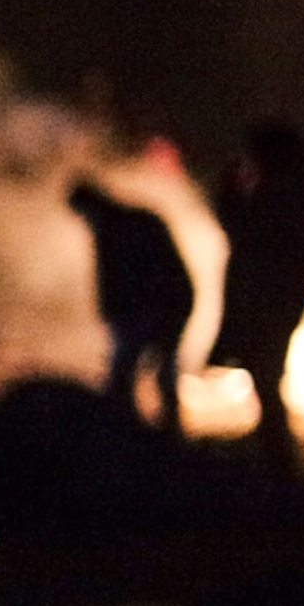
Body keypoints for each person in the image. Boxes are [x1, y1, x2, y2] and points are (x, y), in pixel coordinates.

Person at [211, 120, 304, 455]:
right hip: (281, 290)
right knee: (266, 368)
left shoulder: (280, 193)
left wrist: (230, 194)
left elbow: (244, 230)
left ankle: (276, 444)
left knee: (264, 367)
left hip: (270, 292)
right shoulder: (297, 188)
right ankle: (274, 439)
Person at [67, 178, 193, 429]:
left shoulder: (112, 230)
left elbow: (116, 278)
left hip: (154, 306)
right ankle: (167, 431)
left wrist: (114, 312)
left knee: (125, 374)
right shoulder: (139, 219)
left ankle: (129, 429)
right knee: (162, 371)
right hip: (168, 303)